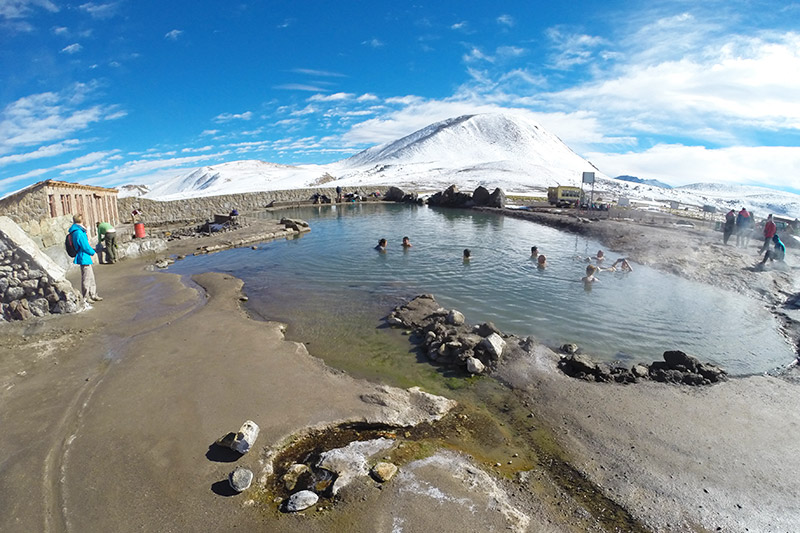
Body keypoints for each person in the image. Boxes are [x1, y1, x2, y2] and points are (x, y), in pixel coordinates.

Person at [69, 214, 101, 306]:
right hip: (84, 256)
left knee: (90, 276)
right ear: (81, 220)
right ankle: (86, 297)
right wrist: (92, 252)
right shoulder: (78, 232)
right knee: (87, 277)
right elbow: (84, 246)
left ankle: (93, 294)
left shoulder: (77, 230)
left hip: (84, 256)